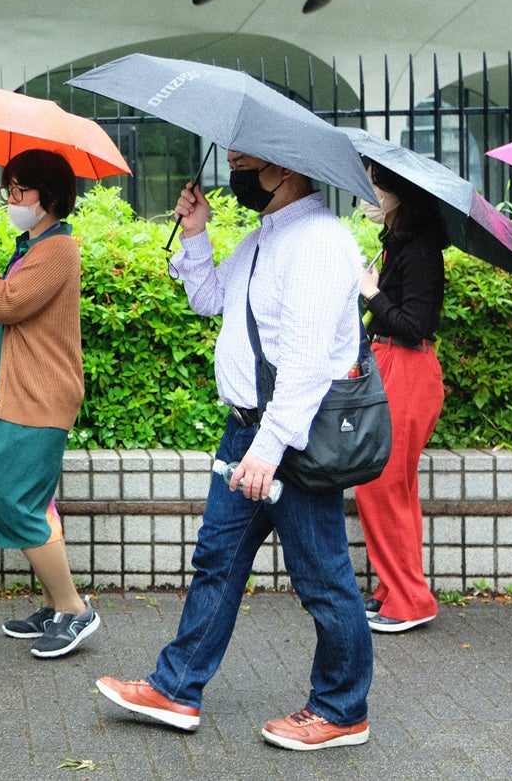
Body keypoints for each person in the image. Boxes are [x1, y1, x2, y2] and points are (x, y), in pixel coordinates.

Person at [95, 151, 374, 751]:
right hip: (246, 433)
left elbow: (306, 360)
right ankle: (177, 689)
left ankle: (342, 708)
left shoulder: (320, 243)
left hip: (289, 438)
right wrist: (194, 234)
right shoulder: (263, 238)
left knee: (322, 578)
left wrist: (270, 446)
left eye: (247, 162)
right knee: (217, 561)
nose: (236, 172)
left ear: (289, 168)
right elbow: (208, 299)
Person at [0, 149, 100, 659]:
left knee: (20, 503)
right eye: (8, 190)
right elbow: (13, 330)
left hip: (39, 399)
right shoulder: (31, 246)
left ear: (49, 196)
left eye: (21, 191)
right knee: (32, 503)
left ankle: (75, 610)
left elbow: (2, 303)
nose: (11, 200)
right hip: (18, 394)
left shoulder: (58, 249)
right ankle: (58, 605)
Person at [354, 160, 448, 633]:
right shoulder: (400, 245)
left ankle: (409, 600)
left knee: (381, 486)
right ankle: (395, 590)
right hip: (394, 369)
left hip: (407, 371)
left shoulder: (423, 250)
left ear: (395, 192)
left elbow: (416, 326)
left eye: (373, 182)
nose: (367, 191)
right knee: (395, 489)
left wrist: (371, 294)